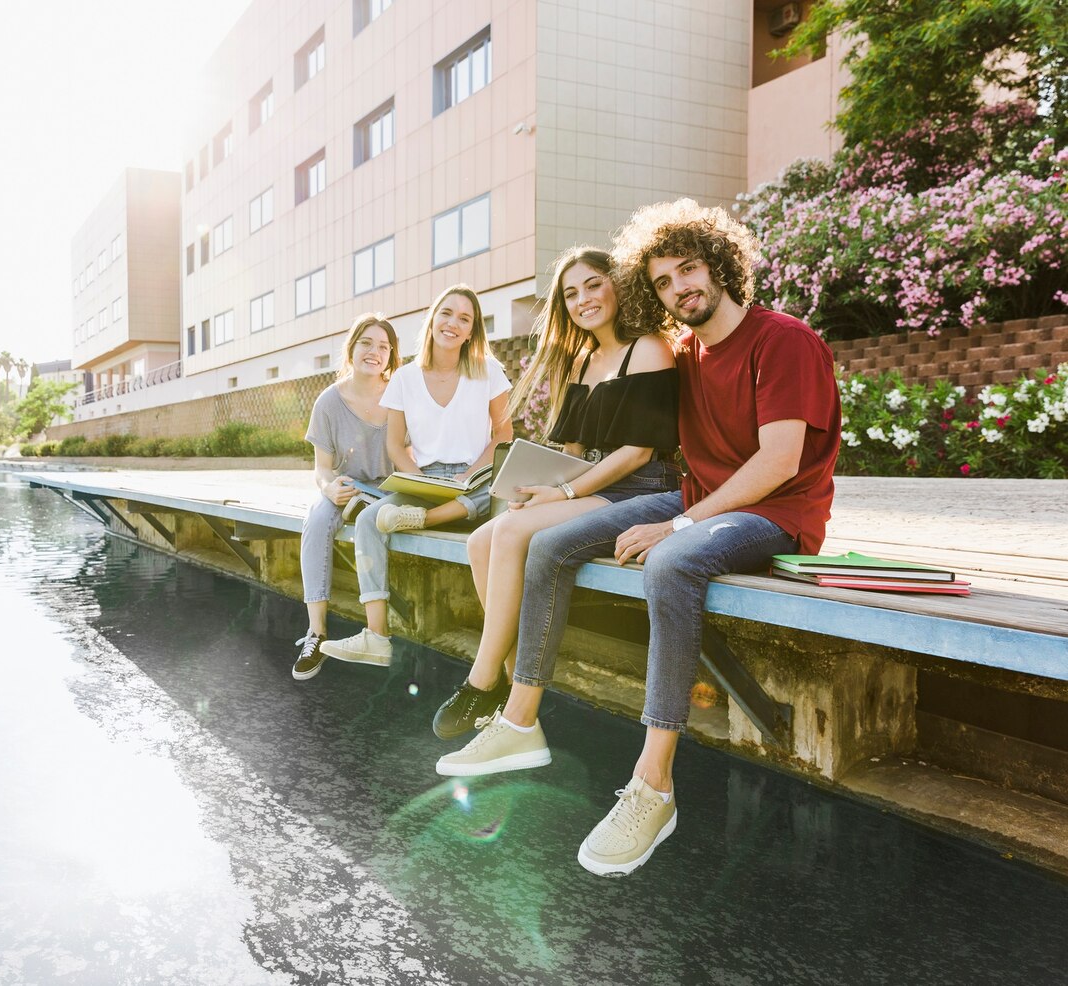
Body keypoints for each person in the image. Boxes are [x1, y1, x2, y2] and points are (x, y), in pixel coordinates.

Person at [438, 199, 841, 878]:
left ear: (721, 264)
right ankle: (521, 720)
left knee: (669, 563)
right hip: (692, 499)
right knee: (543, 543)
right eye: (661, 280)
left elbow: (777, 464)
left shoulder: (785, 340)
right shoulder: (682, 351)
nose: (679, 286)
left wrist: (681, 522)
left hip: (778, 514)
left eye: (689, 269)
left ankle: (652, 785)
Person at [430, 246, 681, 742]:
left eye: (592, 284)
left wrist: (564, 490)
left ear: (617, 283)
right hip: (589, 485)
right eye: (570, 293)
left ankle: (480, 683)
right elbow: (573, 449)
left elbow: (637, 452)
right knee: (483, 538)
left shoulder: (649, 348)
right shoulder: (583, 362)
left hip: (642, 488)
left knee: (514, 531)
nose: (582, 299)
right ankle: (501, 679)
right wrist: (543, 486)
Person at [319, 285, 513, 668]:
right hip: (426, 478)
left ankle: (426, 519)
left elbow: (504, 435)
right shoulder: (404, 378)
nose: (453, 323)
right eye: (446, 313)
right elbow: (395, 446)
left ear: (473, 330)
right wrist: (424, 482)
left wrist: (470, 475)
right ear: (432, 318)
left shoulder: (488, 370)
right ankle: (376, 636)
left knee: (497, 494)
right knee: (371, 519)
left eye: (464, 318)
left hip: (478, 473)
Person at [292, 314, 401, 681]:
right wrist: (328, 488)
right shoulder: (328, 401)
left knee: (376, 525)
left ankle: (375, 635)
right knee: (317, 521)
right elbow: (321, 468)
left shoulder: (401, 393)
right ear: (351, 349)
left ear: (391, 355)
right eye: (367, 343)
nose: (375, 352)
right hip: (347, 488)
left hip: (390, 491)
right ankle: (316, 633)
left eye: (384, 347)